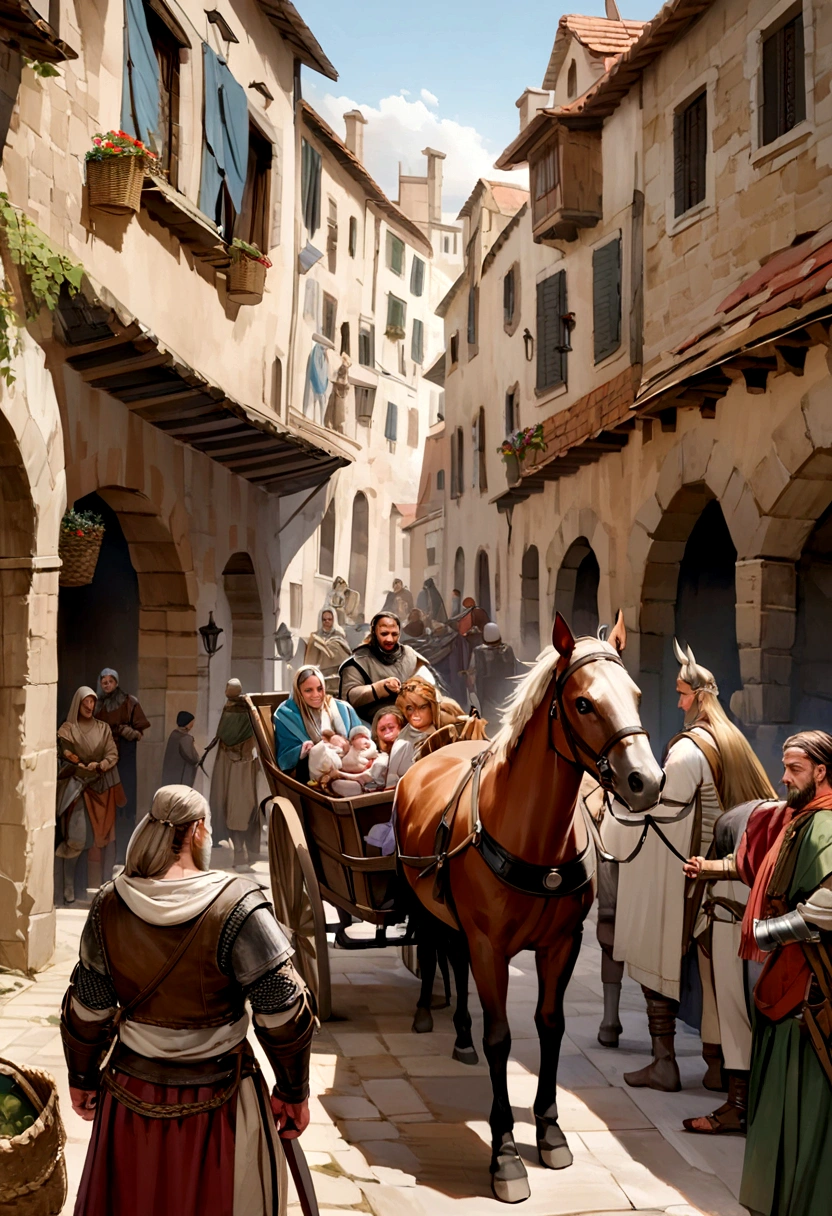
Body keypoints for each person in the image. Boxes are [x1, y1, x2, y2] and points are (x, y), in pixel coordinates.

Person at [61, 784, 315, 1216]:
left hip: (129, 1096)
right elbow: (283, 1010)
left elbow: (88, 1008)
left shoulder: (110, 902)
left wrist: (82, 1078)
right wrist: (294, 1090)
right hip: (223, 1098)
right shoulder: (238, 903)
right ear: (198, 830)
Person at [614, 640, 774, 1094]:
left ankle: (711, 1071)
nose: (679, 701)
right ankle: (715, 1064)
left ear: (699, 697)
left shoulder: (687, 752)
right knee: (717, 977)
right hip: (734, 871)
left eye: (684, 694)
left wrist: (617, 816)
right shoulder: (732, 738)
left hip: (708, 879)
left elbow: (666, 815)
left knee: (714, 978)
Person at [685, 732, 832, 1215]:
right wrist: (708, 867)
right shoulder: (799, 819)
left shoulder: (825, 825)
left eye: (793, 768)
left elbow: (824, 909)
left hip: (811, 989)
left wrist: (766, 930)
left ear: (821, 772)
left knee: (808, 1104)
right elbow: (758, 870)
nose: (783, 777)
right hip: (788, 979)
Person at [56, 687, 124, 904]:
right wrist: (71, 758)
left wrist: (101, 764)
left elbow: (112, 753)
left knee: (97, 842)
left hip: (100, 790)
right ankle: (67, 887)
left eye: (92, 702)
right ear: (78, 703)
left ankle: (86, 887)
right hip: (76, 789)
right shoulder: (67, 729)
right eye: (85, 702)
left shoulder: (103, 729)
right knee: (76, 839)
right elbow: (63, 751)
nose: (89, 706)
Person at [95, 668, 150, 866]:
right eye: (104, 682)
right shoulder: (97, 704)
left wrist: (129, 732)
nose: (107, 685)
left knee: (124, 804)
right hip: (104, 756)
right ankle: (108, 854)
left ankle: (124, 853)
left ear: (116, 683)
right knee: (107, 804)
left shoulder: (129, 702)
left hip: (125, 757)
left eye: (110, 681)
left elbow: (140, 731)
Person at [338, 611, 434, 725]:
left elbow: (431, 686)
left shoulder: (410, 656)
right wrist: (381, 688)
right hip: (371, 725)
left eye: (394, 634)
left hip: (411, 720)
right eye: (384, 634)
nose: (390, 639)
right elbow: (350, 697)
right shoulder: (358, 661)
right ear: (374, 633)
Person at [208, 679, 260, 871]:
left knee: (236, 808)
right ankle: (240, 852)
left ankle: (240, 853)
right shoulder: (246, 709)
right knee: (238, 808)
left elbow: (225, 734)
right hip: (241, 765)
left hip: (237, 766)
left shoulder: (233, 710)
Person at [274, 665, 361, 780]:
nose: (316, 695)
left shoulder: (342, 708)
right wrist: (304, 750)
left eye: (320, 689)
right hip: (308, 771)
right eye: (308, 690)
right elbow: (285, 757)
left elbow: (361, 738)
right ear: (298, 691)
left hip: (348, 759)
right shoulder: (286, 714)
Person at [471, 623, 519, 724]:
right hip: (506, 694)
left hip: (486, 695)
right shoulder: (508, 649)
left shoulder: (478, 652)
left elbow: (472, 673)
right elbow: (514, 670)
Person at [303, 608, 351, 676]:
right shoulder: (315, 636)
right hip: (319, 672)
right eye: (324, 619)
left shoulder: (338, 635)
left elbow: (344, 653)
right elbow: (311, 657)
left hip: (336, 671)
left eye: (329, 619)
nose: (327, 621)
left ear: (333, 620)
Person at [160, 711, 199, 788]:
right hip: (181, 778)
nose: (193, 724)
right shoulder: (185, 738)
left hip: (171, 777)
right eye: (192, 722)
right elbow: (193, 758)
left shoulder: (174, 734)